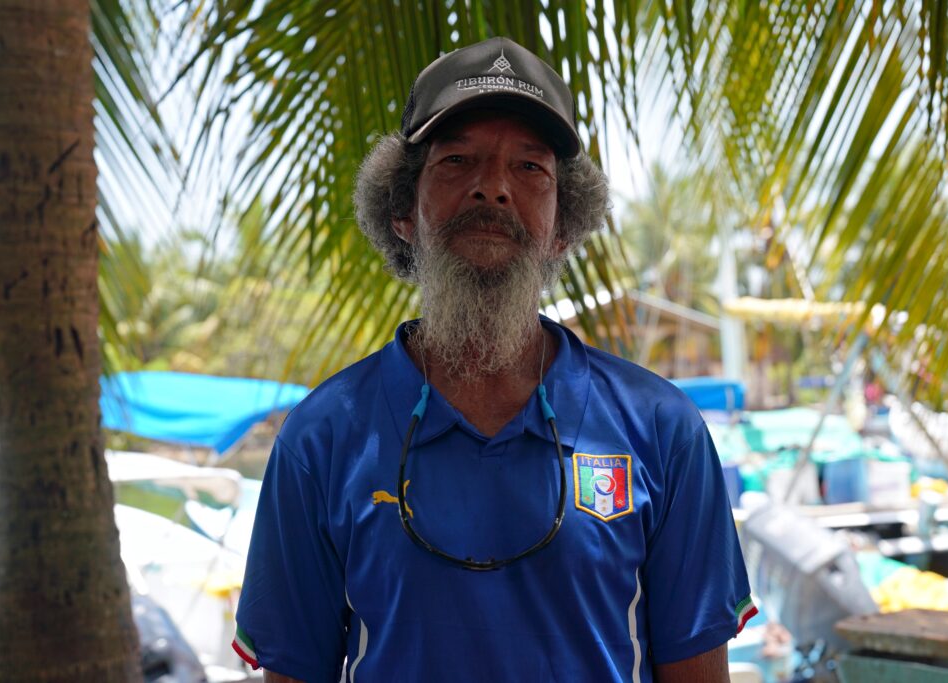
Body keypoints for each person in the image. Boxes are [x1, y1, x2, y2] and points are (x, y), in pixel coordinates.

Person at [232, 37, 755, 683]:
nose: (493, 189)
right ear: (403, 211)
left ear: (564, 222)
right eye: (458, 160)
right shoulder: (322, 437)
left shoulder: (662, 428)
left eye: (530, 168)